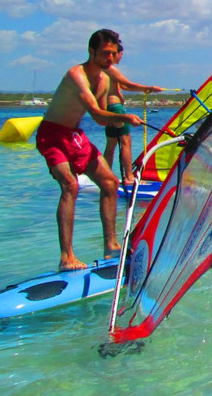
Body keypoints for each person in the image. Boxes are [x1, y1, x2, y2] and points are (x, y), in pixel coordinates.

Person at [35, 29, 145, 272]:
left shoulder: (105, 79)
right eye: (105, 53)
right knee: (70, 185)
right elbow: (96, 113)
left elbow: (101, 119)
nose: (109, 58)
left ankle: (111, 246)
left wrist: (119, 121)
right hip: (52, 134)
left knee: (109, 182)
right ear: (91, 51)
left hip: (75, 136)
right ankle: (67, 257)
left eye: (113, 54)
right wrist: (124, 116)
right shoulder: (77, 75)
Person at [102, 43, 162, 186]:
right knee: (125, 142)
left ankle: (104, 175)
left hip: (107, 109)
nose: (121, 57)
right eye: (120, 54)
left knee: (111, 144)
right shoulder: (110, 69)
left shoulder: (102, 70)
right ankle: (128, 177)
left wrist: (145, 90)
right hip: (116, 109)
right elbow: (128, 84)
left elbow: (122, 86)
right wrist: (150, 88)